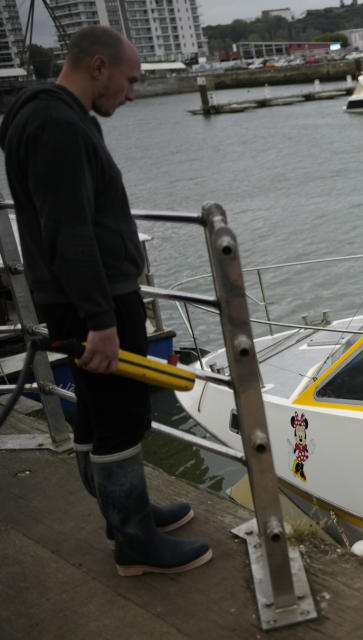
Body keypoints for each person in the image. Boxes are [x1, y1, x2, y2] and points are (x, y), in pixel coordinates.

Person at [0, 25, 212, 576]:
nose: (132, 93)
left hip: (74, 298)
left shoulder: (43, 115)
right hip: (95, 302)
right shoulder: (56, 125)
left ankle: (130, 518)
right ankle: (135, 547)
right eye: (130, 80)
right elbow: (70, 230)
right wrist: (101, 320)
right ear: (98, 67)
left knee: (94, 416)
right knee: (119, 420)